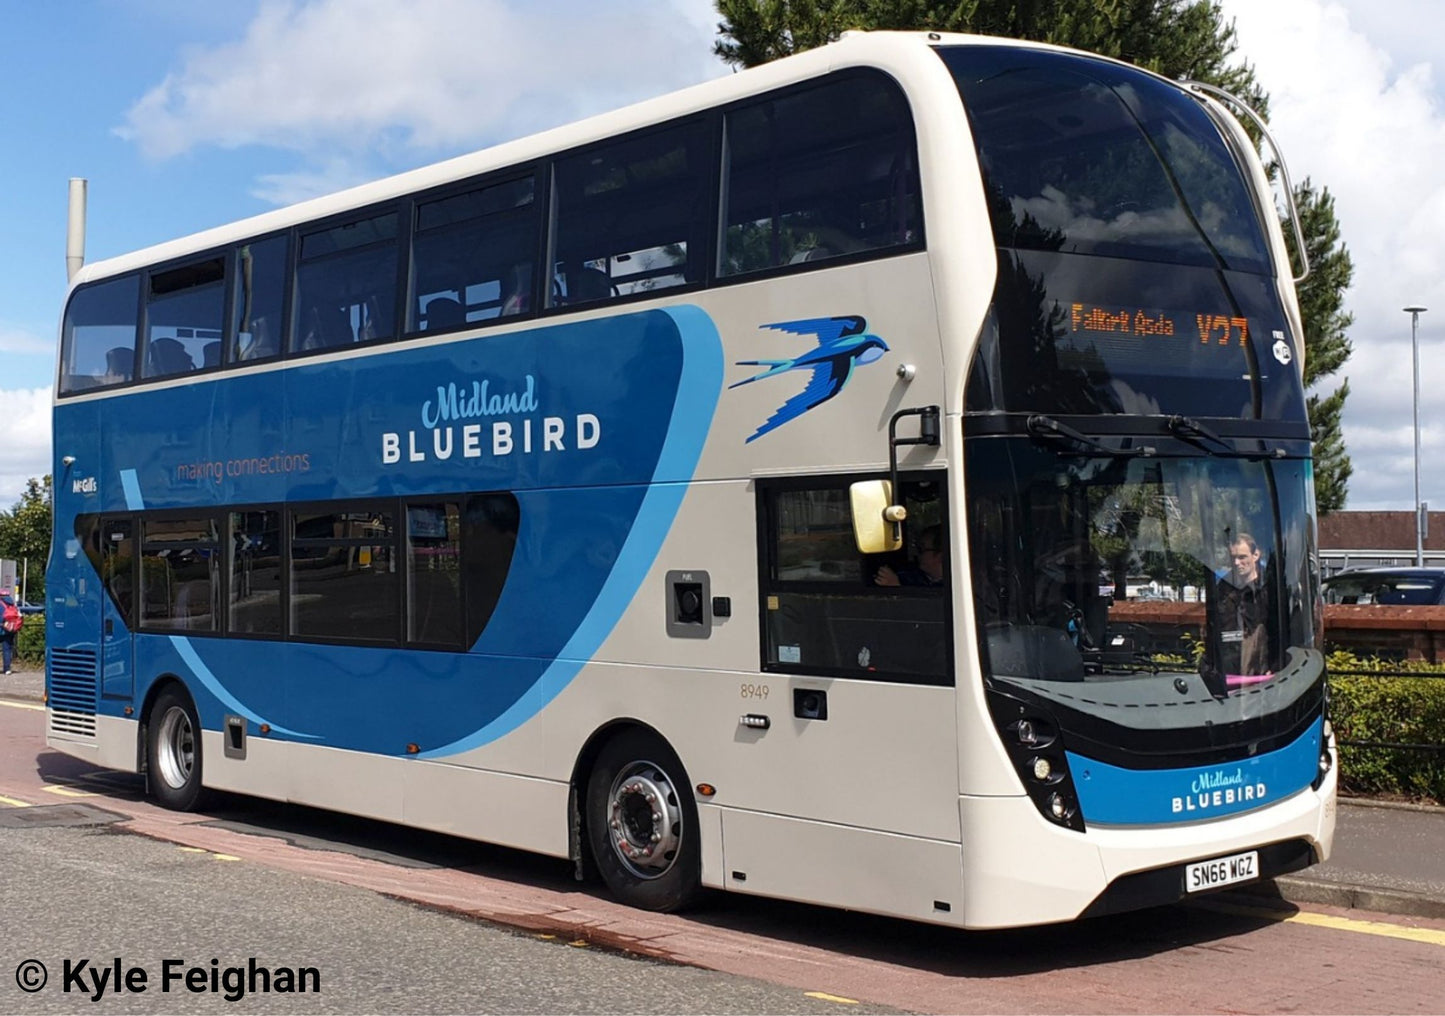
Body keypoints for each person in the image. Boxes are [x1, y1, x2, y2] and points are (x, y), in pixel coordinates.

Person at [1202, 532, 1276, 693]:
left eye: (1242, 557)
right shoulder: (1223, 588)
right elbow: (1214, 629)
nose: (1236, 563)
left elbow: (1278, 631)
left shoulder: (1270, 588)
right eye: (1233, 558)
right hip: (1229, 671)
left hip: (1262, 671)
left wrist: (1276, 665)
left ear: (1256, 555)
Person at [875, 525, 945, 587]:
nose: (916, 554)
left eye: (921, 549)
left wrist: (895, 586)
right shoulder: (910, 577)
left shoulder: (948, 586)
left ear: (940, 556)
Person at [0, 588, 19, 675]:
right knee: (7, 649)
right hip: (10, 629)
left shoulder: (0, 604)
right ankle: (7, 669)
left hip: (1, 628)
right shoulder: (12, 604)